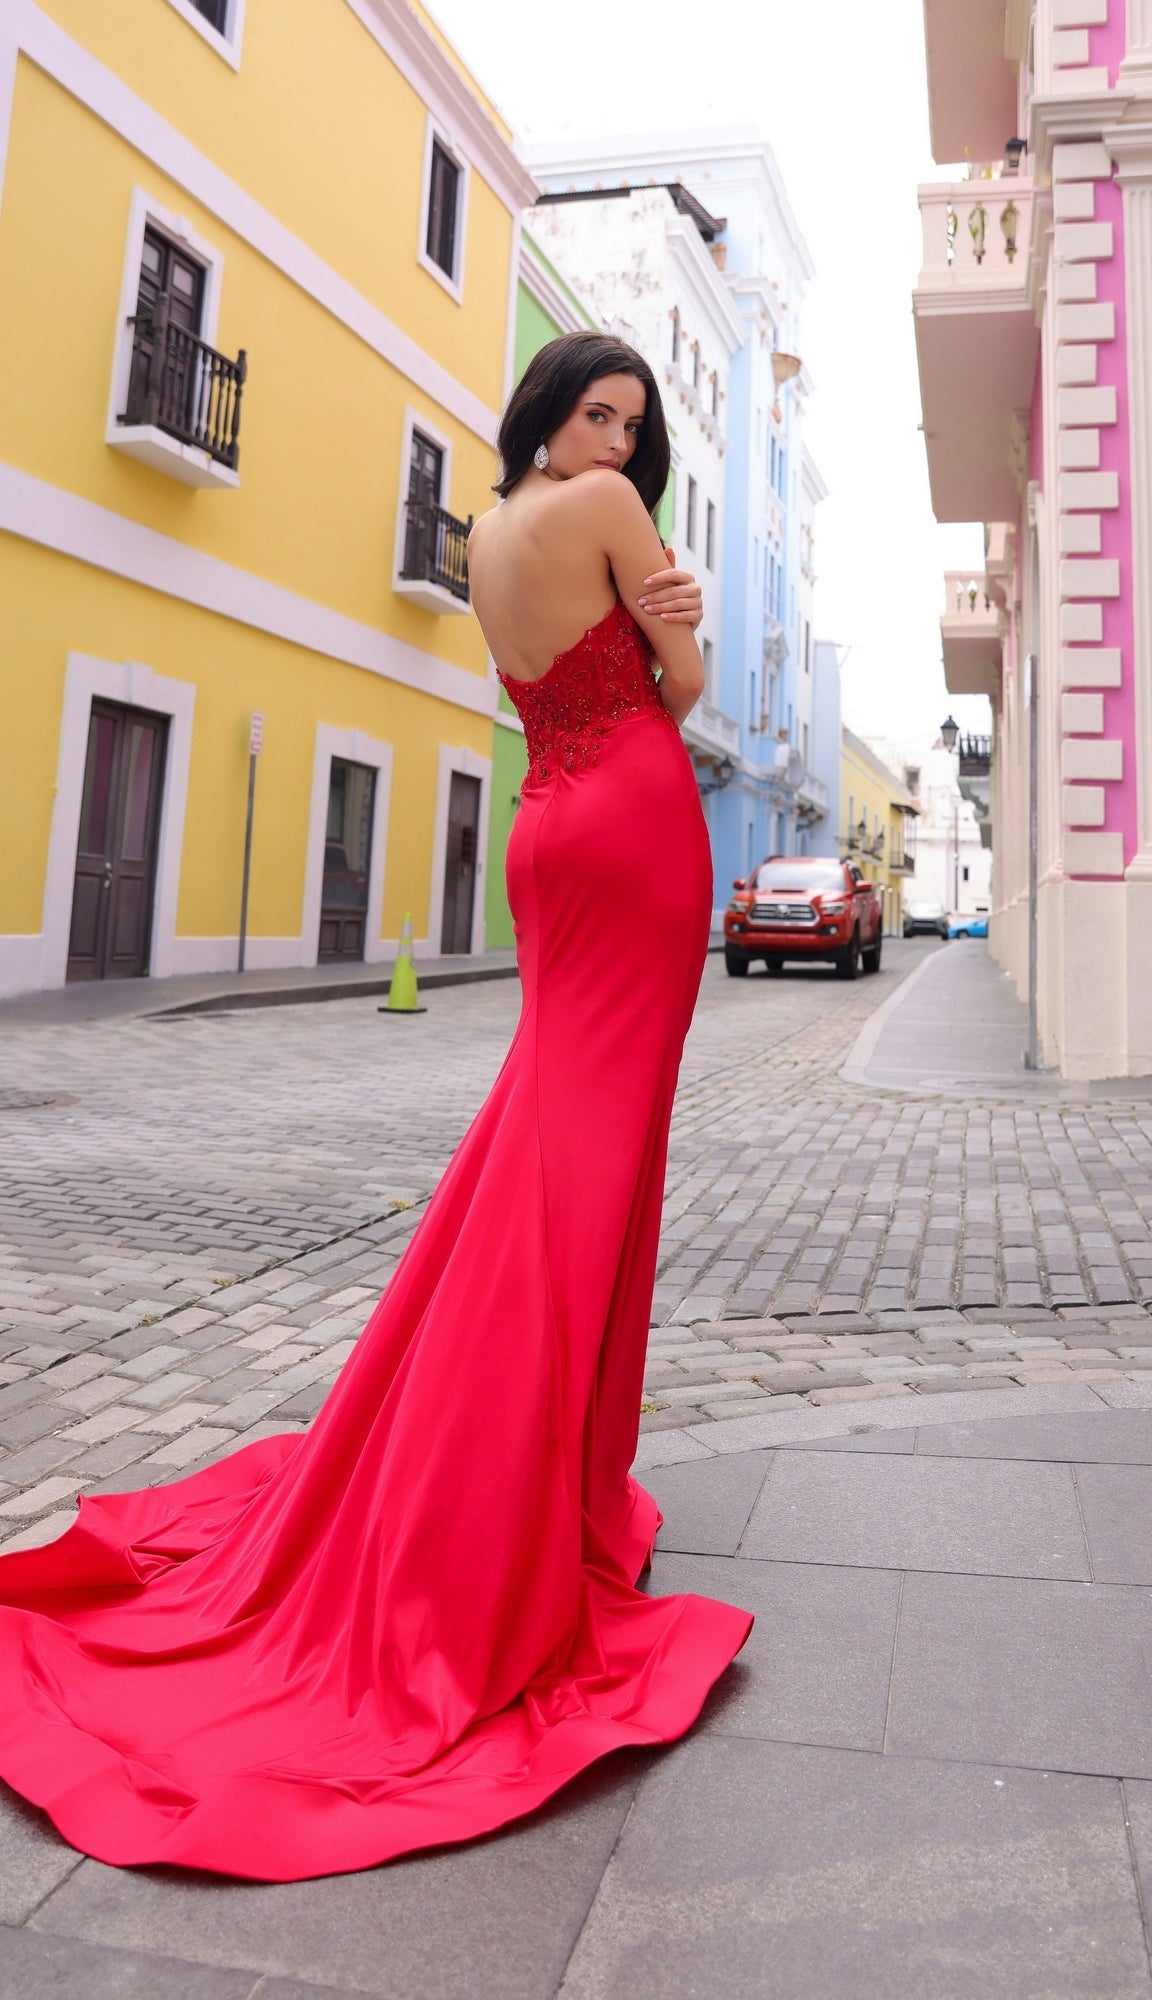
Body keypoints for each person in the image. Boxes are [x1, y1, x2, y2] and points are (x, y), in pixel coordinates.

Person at [0, 331, 751, 1884]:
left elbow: (558, 682)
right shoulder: (608, 519)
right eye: (595, 411)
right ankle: (511, 1508)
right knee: (589, 1172)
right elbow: (676, 688)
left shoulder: (485, 537)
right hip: (630, 830)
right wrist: (680, 625)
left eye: (632, 422)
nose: (616, 440)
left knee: (548, 1150)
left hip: (547, 832)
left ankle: (525, 1467)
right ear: (545, 416)